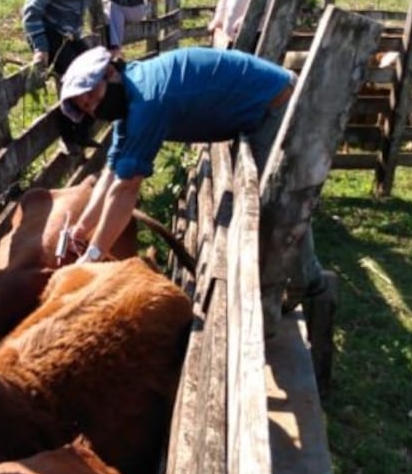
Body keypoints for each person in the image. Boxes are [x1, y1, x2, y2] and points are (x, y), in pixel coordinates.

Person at [59, 45, 326, 300]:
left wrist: (92, 256)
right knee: (269, 201)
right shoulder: (130, 94)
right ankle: (299, 278)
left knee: (273, 203)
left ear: (110, 73)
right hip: (263, 101)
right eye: (87, 108)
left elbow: (127, 187)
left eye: (93, 96)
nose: (95, 108)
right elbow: (112, 171)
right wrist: (81, 230)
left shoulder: (148, 99)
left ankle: (307, 281)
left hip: (276, 105)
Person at [22, 0, 161, 152]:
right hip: (47, 28)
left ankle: (82, 130)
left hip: (71, 32)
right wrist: (40, 47)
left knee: (96, 71)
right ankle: (68, 137)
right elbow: (32, 12)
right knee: (75, 75)